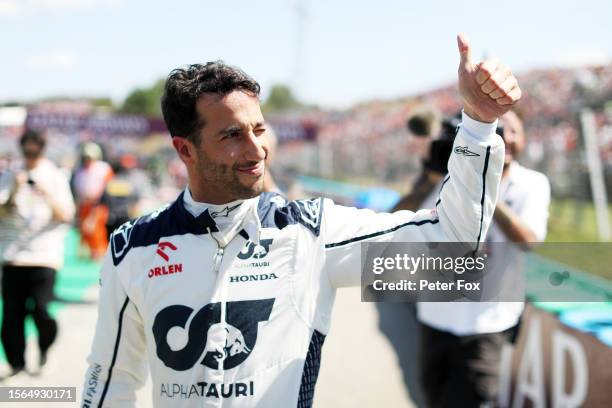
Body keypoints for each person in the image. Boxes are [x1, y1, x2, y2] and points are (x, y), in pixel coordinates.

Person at [81, 35, 521, 407]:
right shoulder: (131, 248)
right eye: (232, 135)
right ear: (185, 151)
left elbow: (451, 241)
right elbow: (110, 381)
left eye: (258, 129)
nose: (256, 150)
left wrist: (479, 125)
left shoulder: (311, 232)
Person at [415, 110, 551, 407]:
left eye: (515, 131)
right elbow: (396, 218)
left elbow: (528, 240)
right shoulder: (452, 175)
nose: (509, 138)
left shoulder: (532, 183)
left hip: (488, 325)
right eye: (501, 130)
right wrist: (432, 177)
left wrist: (485, 185)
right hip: (434, 318)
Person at [0, 129, 75, 378]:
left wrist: (46, 192)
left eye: (35, 150)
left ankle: (44, 348)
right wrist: (13, 190)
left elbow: (66, 215)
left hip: (45, 255)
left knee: (41, 310)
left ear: (41, 150)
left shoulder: (54, 176)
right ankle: (16, 362)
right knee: (12, 314)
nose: (30, 155)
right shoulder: (11, 174)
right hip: (13, 255)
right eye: (26, 150)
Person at [71, 142, 114, 260]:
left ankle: (100, 255)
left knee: (96, 231)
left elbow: (107, 190)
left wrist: (96, 209)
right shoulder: (79, 171)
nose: (87, 160)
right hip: (84, 205)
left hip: (99, 206)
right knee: (85, 232)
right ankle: (90, 254)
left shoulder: (104, 169)